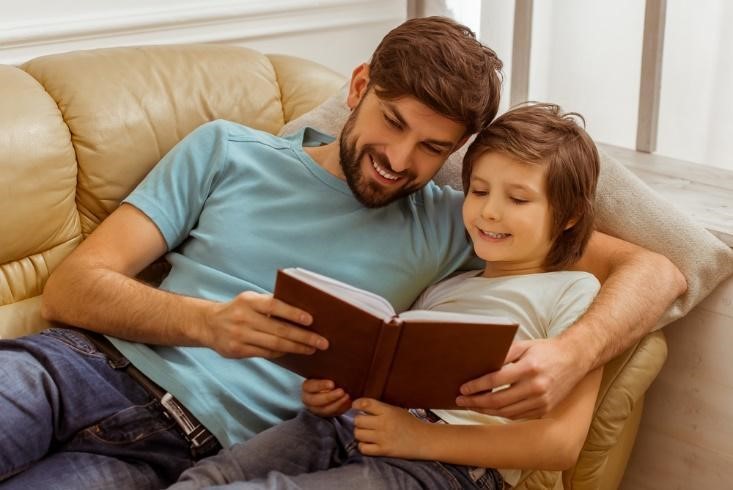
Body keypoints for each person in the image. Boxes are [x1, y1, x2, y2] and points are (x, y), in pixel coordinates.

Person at [0, 16, 683, 489]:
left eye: (432, 149)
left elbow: (656, 268)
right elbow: (72, 288)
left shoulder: (462, 222)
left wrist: (570, 354)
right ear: (358, 88)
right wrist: (205, 323)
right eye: (392, 122)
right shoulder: (225, 150)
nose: (397, 160)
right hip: (80, 370)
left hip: (183, 451)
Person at [168, 103, 604, 490]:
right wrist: (333, 393)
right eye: (479, 191)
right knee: (213, 475)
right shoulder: (446, 281)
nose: (490, 211)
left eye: (518, 199)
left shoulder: (576, 291)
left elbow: (561, 445)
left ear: (568, 216)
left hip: (444, 465)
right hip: (355, 423)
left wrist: (420, 438)